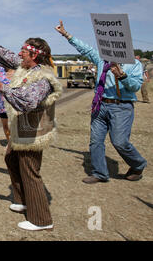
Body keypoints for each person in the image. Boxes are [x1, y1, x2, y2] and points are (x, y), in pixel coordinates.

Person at [0, 34, 62, 232]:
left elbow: (28, 101)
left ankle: (42, 219)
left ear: (34, 56)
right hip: (22, 128)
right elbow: (7, 55)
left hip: (33, 131)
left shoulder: (43, 77)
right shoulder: (26, 66)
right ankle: (23, 200)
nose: (19, 54)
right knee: (11, 159)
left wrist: (2, 87)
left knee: (30, 171)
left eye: (24, 52)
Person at [55, 20, 147, 183]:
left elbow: (135, 87)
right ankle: (100, 173)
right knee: (95, 141)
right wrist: (66, 34)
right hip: (100, 105)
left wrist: (122, 76)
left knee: (119, 142)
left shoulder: (134, 64)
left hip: (121, 107)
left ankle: (138, 164)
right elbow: (85, 48)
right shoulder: (102, 59)